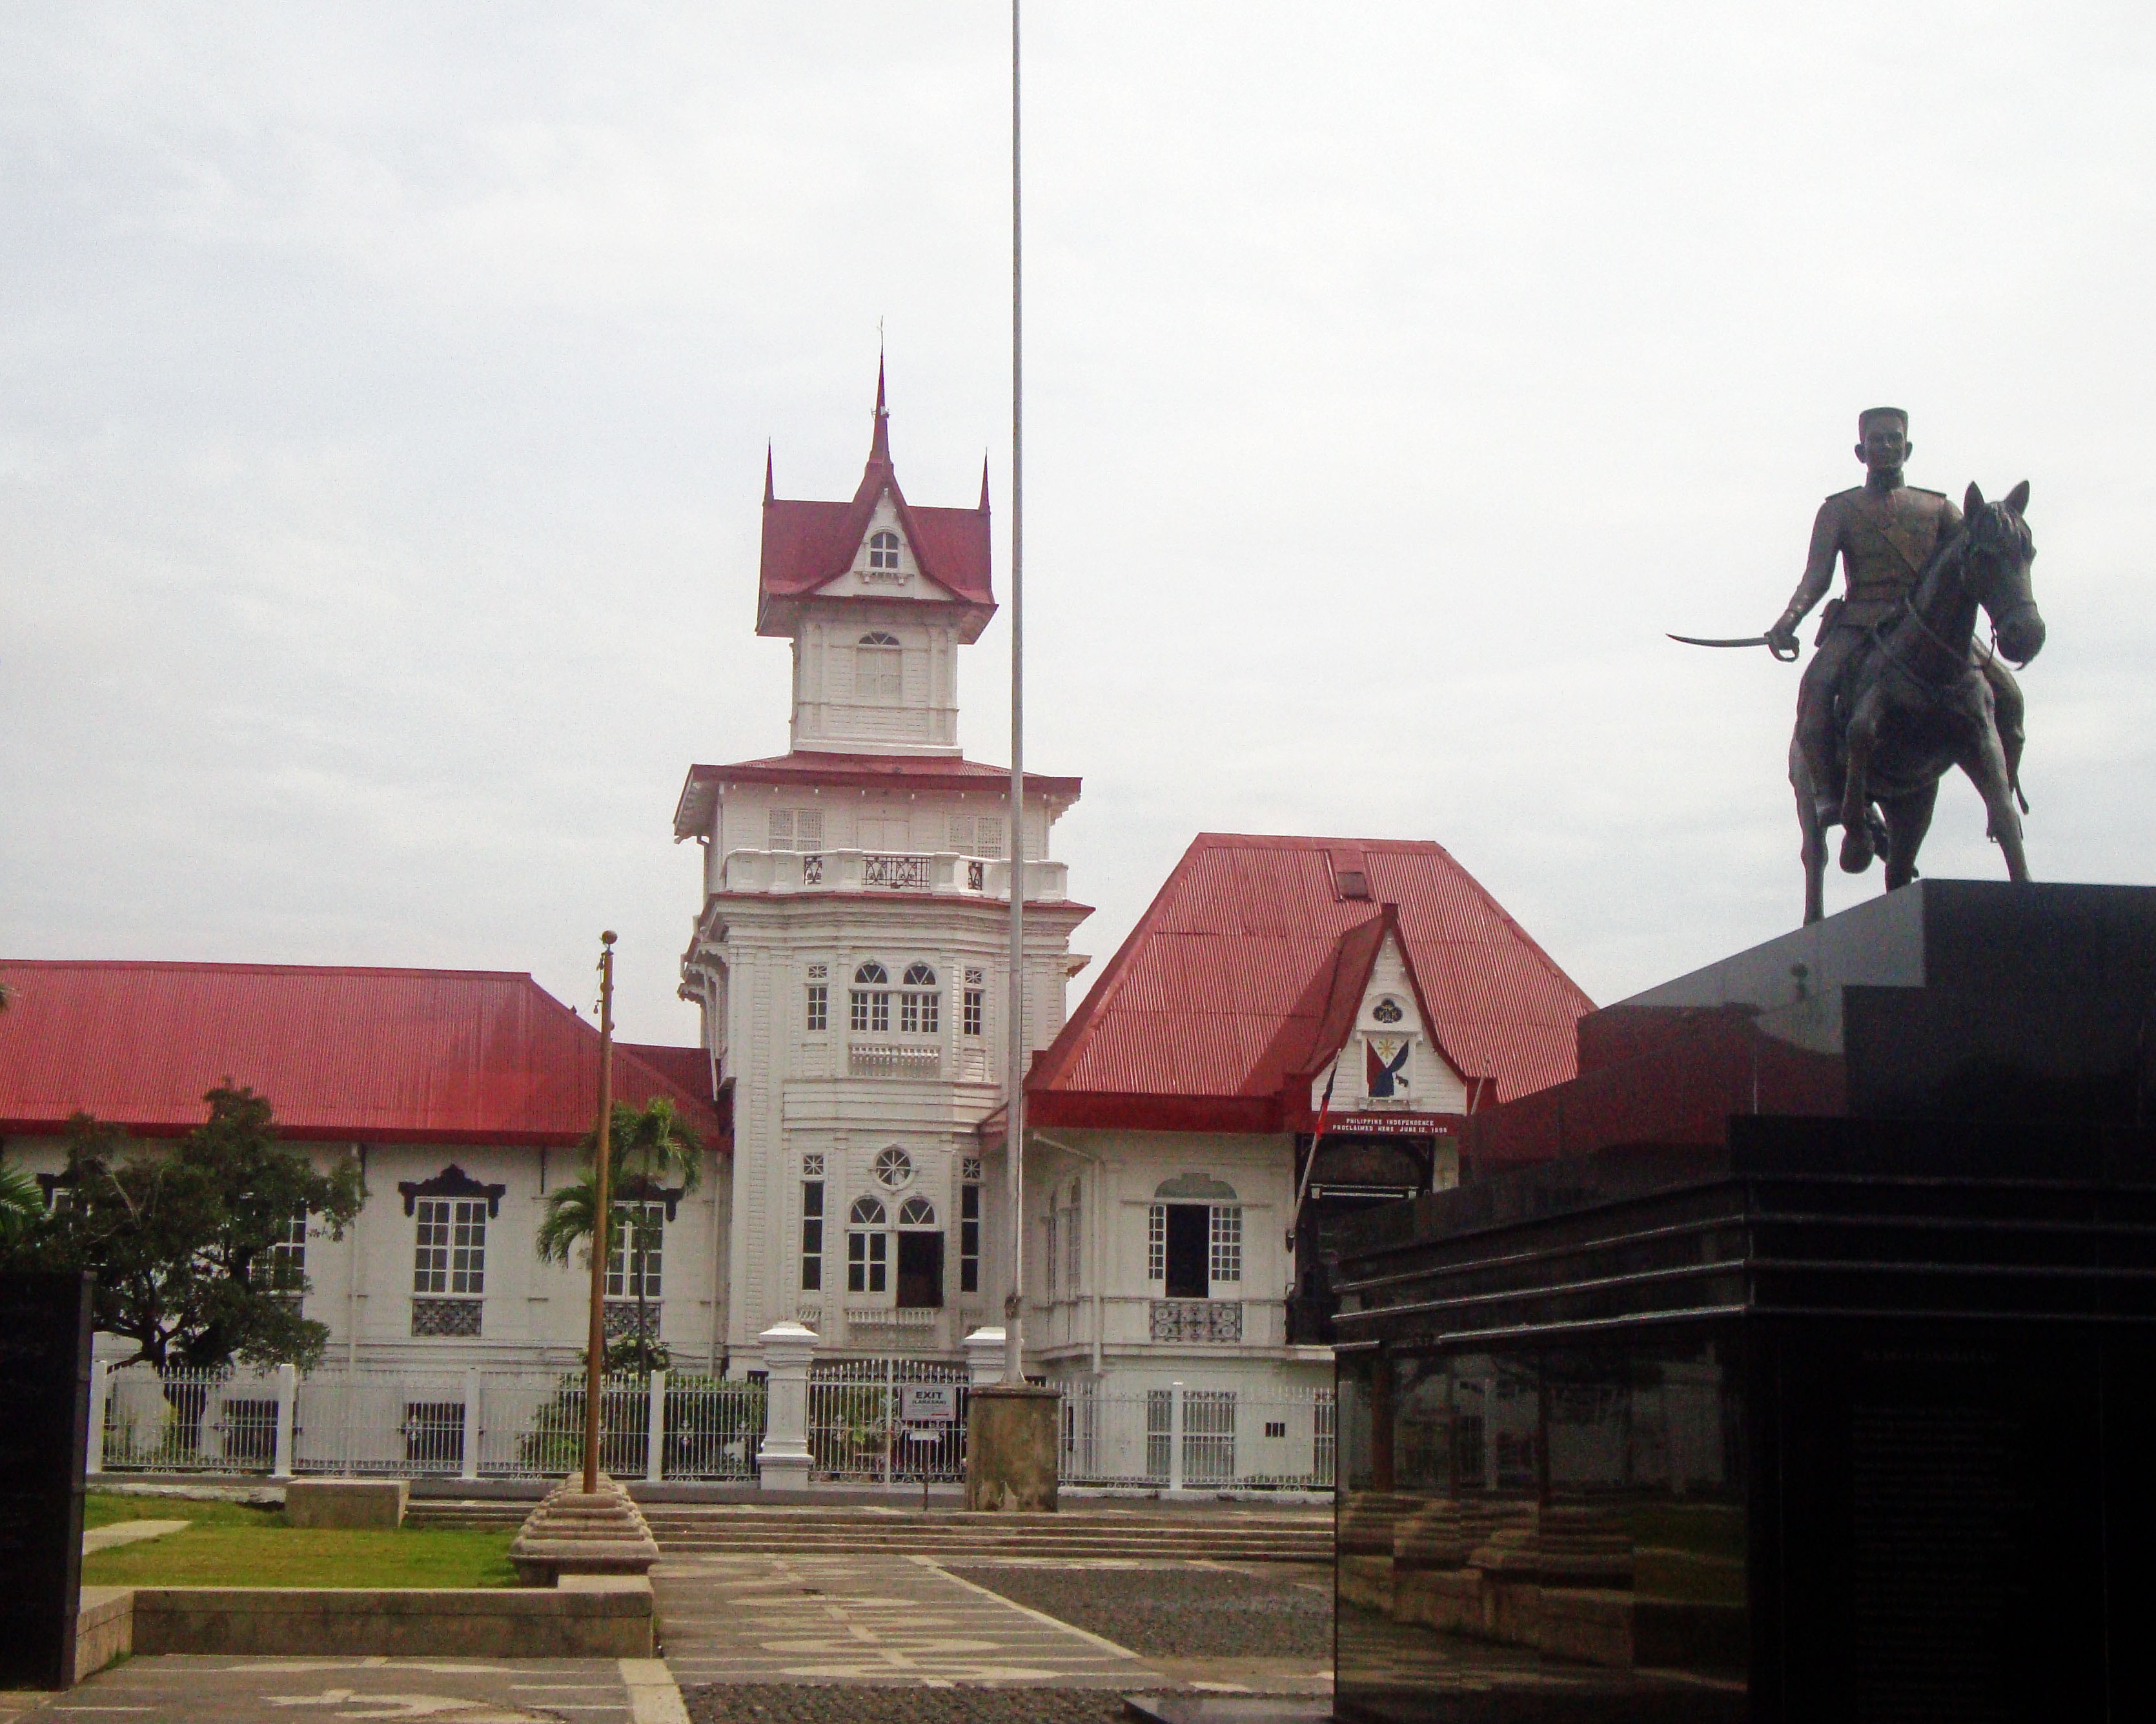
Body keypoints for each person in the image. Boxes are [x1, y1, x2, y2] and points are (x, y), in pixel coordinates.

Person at [1768, 407, 2024, 813]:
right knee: (1816, 689)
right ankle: (1828, 793)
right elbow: (1817, 577)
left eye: (1893, 439)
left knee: (2008, 693)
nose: (1885, 447)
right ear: (1860, 451)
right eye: (1876, 440)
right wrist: (1789, 619)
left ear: (1908, 448)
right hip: (1860, 620)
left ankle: (2005, 790)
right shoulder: (1838, 510)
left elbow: (1969, 559)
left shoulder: (1939, 509)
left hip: (1928, 624)